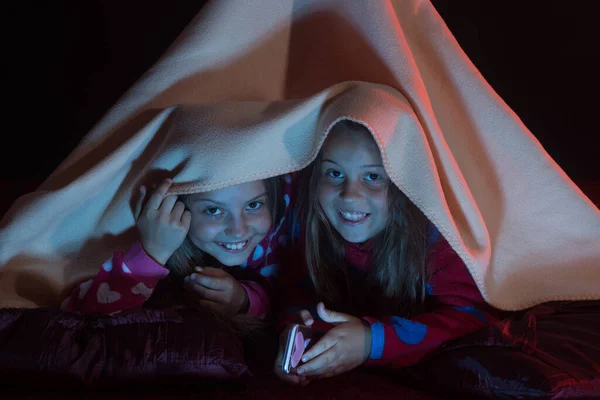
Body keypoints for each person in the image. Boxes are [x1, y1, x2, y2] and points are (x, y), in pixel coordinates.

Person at [275, 120, 498, 384]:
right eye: (334, 173)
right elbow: (295, 291)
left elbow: (474, 321)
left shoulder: (438, 242)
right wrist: (296, 336)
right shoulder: (312, 222)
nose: (350, 195)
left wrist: (372, 342)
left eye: (373, 176)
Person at [61, 175, 292, 323]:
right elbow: (83, 322)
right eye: (213, 210)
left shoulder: (277, 233)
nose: (238, 230)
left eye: (254, 205)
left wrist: (243, 301)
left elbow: (283, 298)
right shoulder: (154, 232)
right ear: (175, 209)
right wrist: (153, 251)